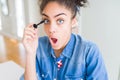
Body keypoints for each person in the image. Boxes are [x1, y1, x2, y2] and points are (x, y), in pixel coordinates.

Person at [20, 0, 108, 80]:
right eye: (46, 20)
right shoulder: (38, 46)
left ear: (73, 22)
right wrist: (30, 53)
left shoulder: (89, 52)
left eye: (60, 21)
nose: (51, 29)